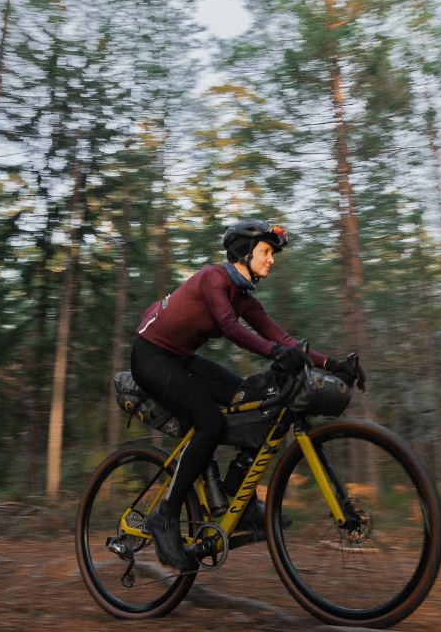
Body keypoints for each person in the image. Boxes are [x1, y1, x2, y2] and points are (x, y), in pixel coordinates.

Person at [132, 220, 366, 570]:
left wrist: (334, 364)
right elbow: (228, 327)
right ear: (244, 252)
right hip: (151, 357)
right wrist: (274, 353)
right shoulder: (214, 278)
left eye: (272, 254)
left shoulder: (244, 299)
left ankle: (238, 503)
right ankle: (164, 516)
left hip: (182, 360)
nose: (271, 259)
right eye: (266, 252)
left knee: (249, 398)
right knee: (209, 422)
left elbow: (284, 340)